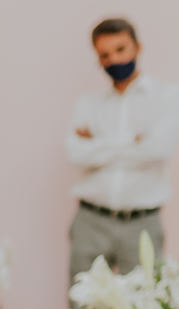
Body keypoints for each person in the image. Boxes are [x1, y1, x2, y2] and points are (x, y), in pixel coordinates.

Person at [66, 17, 179, 282]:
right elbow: (76, 154)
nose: (114, 59)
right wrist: (133, 140)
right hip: (90, 222)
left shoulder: (167, 96)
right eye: (105, 55)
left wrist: (98, 143)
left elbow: (160, 149)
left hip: (142, 223)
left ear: (137, 47)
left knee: (144, 302)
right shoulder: (88, 104)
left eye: (120, 49)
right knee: (83, 302)